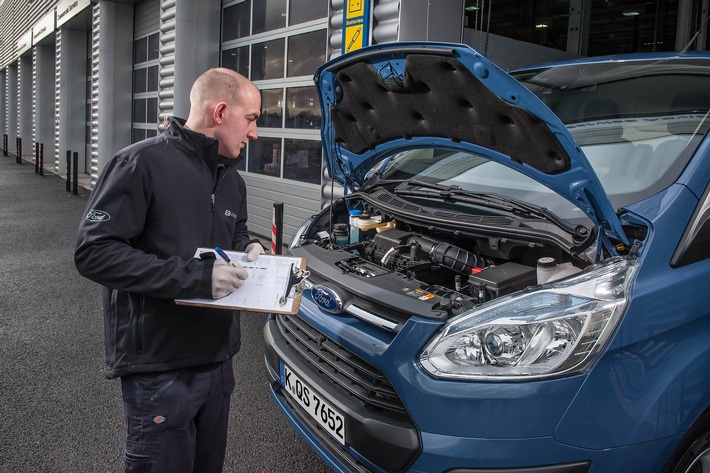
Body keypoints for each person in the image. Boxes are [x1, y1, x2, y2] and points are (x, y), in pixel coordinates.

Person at [74, 67, 265, 473]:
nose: (255, 134)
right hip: (160, 367)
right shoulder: (138, 164)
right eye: (251, 119)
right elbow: (94, 251)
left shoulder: (231, 178)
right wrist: (197, 279)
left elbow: (234, 230)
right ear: (220, 112)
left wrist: (248, 245)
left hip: (217, 362)